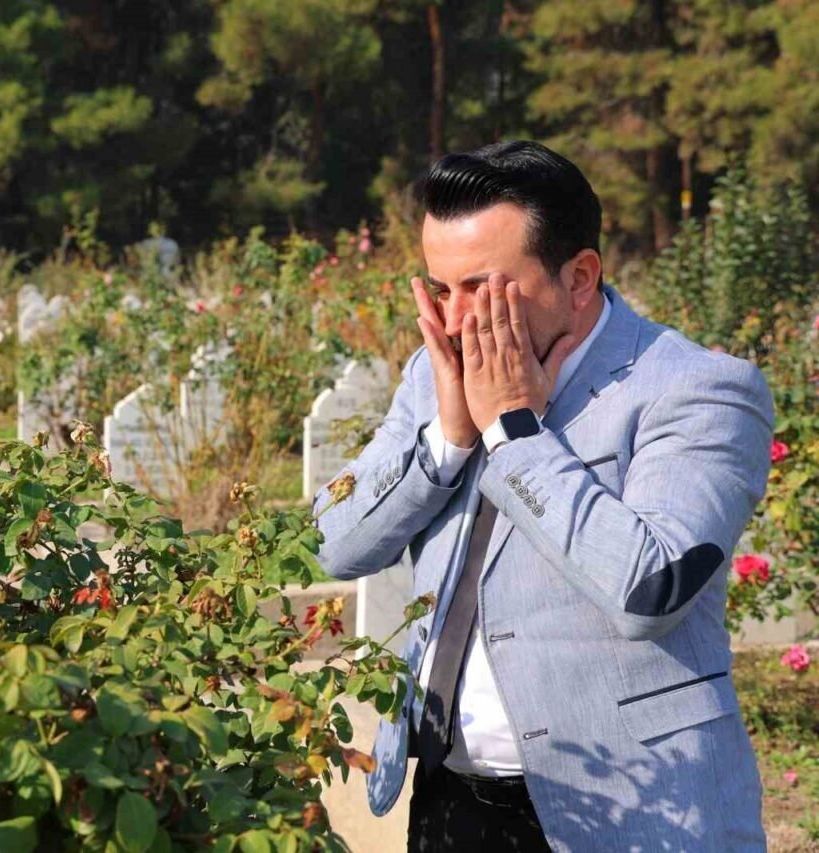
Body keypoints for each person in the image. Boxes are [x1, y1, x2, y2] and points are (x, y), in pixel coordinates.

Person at [314, 140, 772, 852]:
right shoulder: (433, 373)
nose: (456, 321)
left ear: (580, 276)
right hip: (449, 800)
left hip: (635, 807)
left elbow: (650, 590)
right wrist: (449, 439)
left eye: (482, 289)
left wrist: (513, 432)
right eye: (441, 290)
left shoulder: (698, 390)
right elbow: (331, 544)